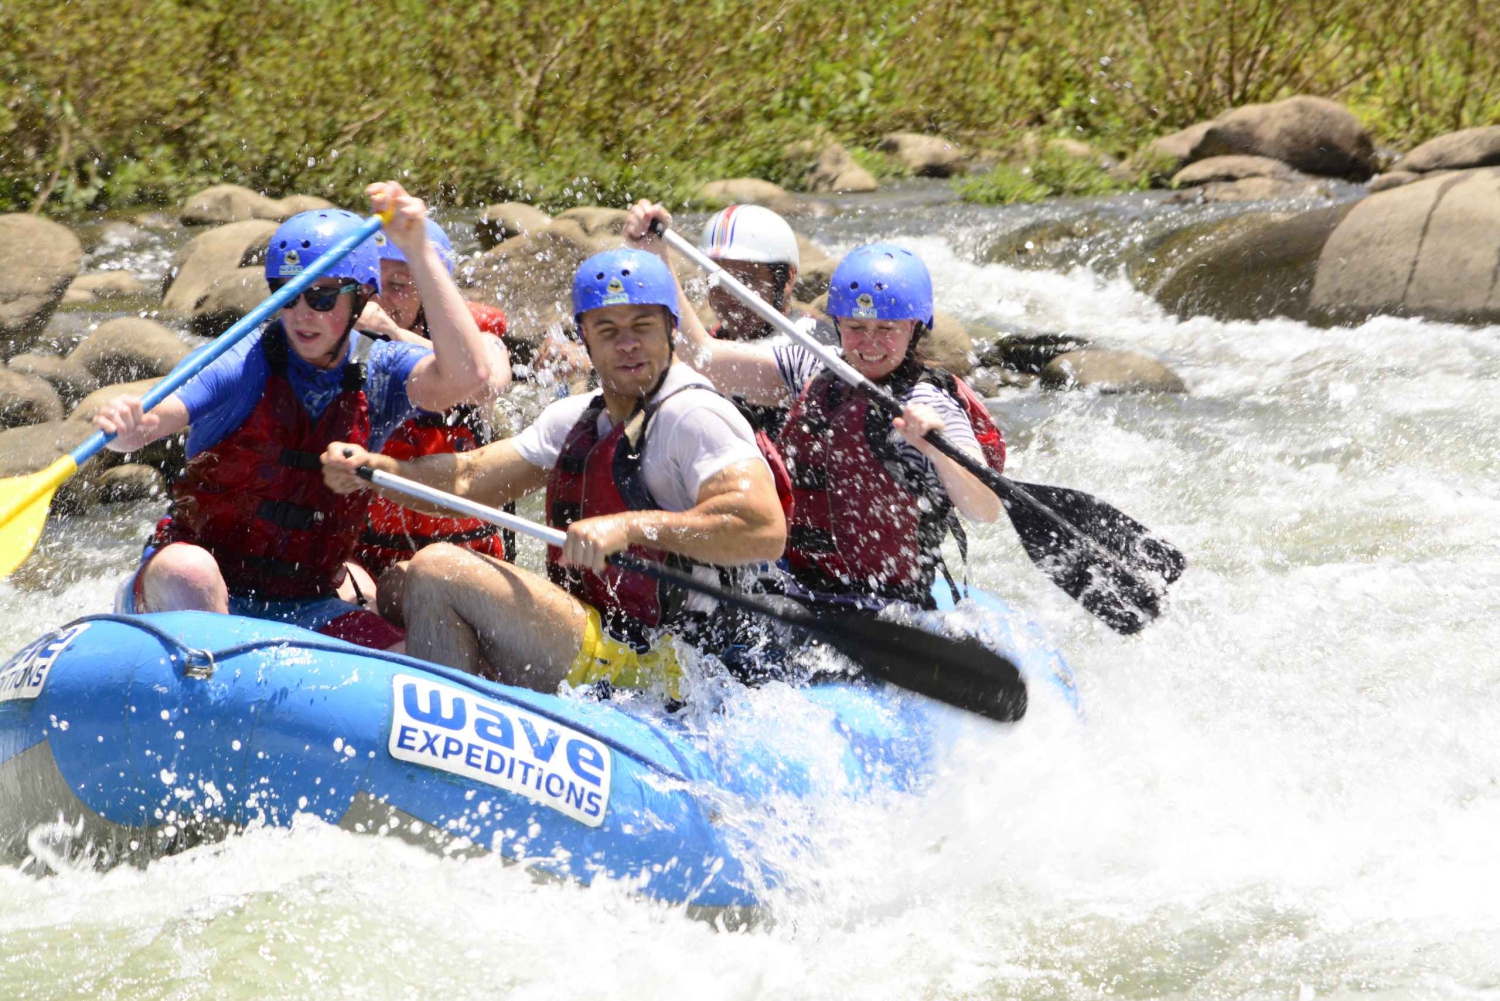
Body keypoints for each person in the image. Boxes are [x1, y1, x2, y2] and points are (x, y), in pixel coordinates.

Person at [320, 247, 788, 694]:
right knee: (400, 584)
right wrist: (379, 468)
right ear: (584, 338)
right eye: (607, 331)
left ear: (671, 327)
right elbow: (467, 477)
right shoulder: (582, 417)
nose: (627, 345)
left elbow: (763, 527)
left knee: (439, 569)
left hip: (673, 663)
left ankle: (442, 734)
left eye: (642, 327)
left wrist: (629, 528)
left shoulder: (693, 415)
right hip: (606, 631)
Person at [92, 183, 498, 650]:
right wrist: (127, 425)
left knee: (404, 652)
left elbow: (468, 376)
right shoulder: (242, 361)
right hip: (193, 586)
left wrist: (419, 252)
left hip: (306, 600)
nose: (303, 314)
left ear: (361, 298)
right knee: (190, 570)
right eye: (287, 294)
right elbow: (153, 419)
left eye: (323, 298)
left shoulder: (379, 370)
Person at [625, 201, 1007, 611]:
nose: (869, 344)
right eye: (856, 328)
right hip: (800, 586)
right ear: (838, 322)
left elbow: (986, 509)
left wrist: (937, 447)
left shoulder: (928, 401)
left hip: (890, 603)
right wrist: (652, 251)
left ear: (914, 327)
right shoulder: (811, 365)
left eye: (886, 330)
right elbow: (702, 354)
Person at [350, 217, 516, 611]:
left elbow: (487, 383)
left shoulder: (478, 337)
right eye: (372, 284)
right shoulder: (340, 338)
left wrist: (394, 336)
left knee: (406, 586)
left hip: (464, 563)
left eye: (399, 286)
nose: (380, 299)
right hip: (366, 563)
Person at [696, 204, 835, 437]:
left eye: (746, 280)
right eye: (718, 281)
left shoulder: (815, 344)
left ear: (788, 279)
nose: (730, 297)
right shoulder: (713, 337)